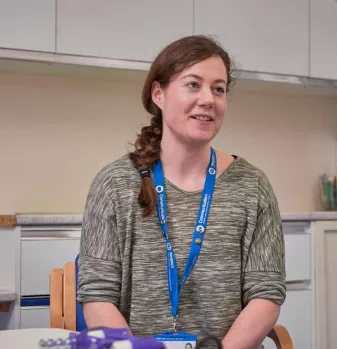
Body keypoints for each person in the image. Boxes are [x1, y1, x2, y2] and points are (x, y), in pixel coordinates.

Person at [77, 35, 286, 349]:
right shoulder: (114, 183)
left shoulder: (252, 185)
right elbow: (97, 295)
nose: (208, 99)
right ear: (158, 94)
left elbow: (266, 294)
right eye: (193, 84)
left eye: (218, 88)